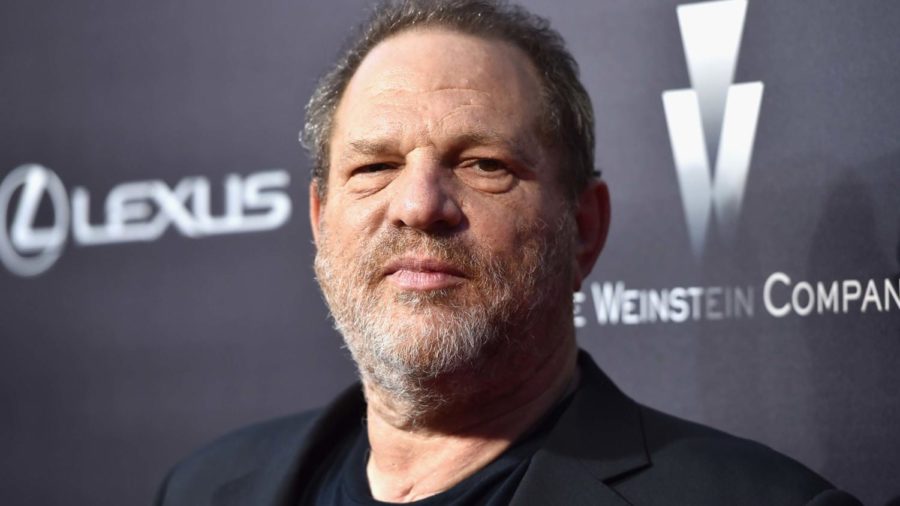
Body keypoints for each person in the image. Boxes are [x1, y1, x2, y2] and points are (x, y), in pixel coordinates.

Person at [155, 1, 861, 504]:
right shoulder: (201, 488)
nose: (418, 204)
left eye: (484, 163)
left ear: (584, 226)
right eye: (373, 167)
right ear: (318, 220)